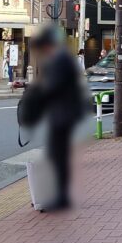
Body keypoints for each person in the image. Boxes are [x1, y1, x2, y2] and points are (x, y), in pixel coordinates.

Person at [30, 27, 86, 211]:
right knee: (58, 154)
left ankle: (61, 197)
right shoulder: (61, 58)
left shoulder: (60, 59)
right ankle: (60, 195)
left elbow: (53, 87)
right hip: (64, 112)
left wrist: (36, 93)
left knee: (57, 154)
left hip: (63, 113)